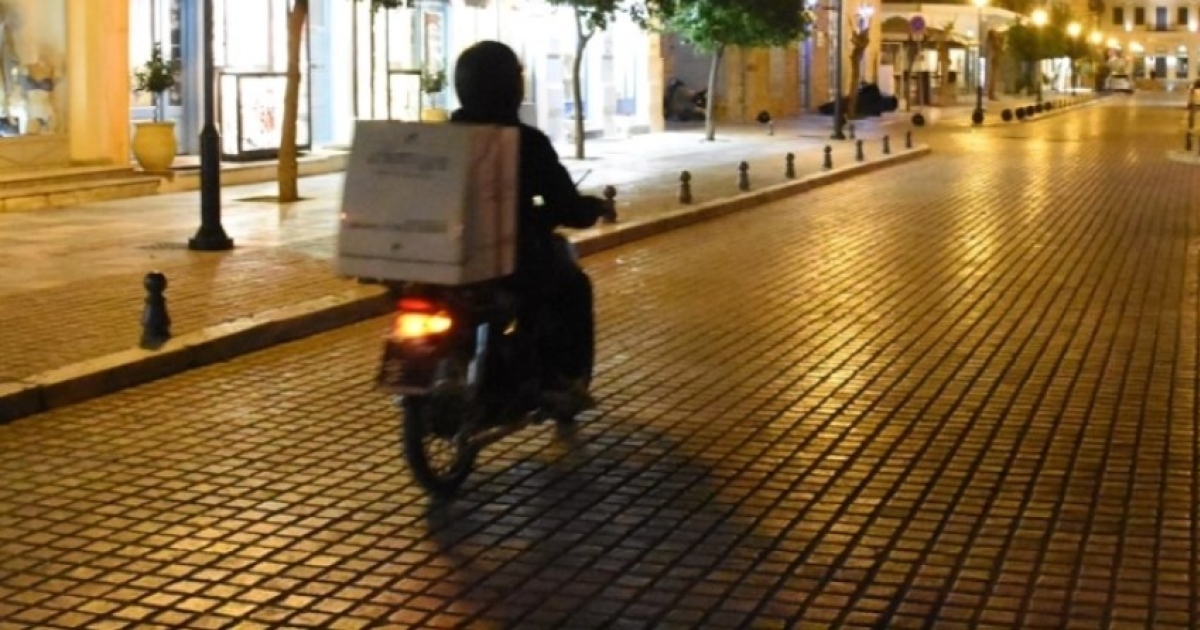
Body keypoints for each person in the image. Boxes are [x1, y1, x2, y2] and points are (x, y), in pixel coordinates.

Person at [450, 40, 609, 414]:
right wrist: (590, 209)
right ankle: (560, 377)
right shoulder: (527, 142)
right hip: (512, 261)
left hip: (445, 260)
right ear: (512, 86)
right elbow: (566, 204)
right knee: (572, 285)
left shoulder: (441, 138)